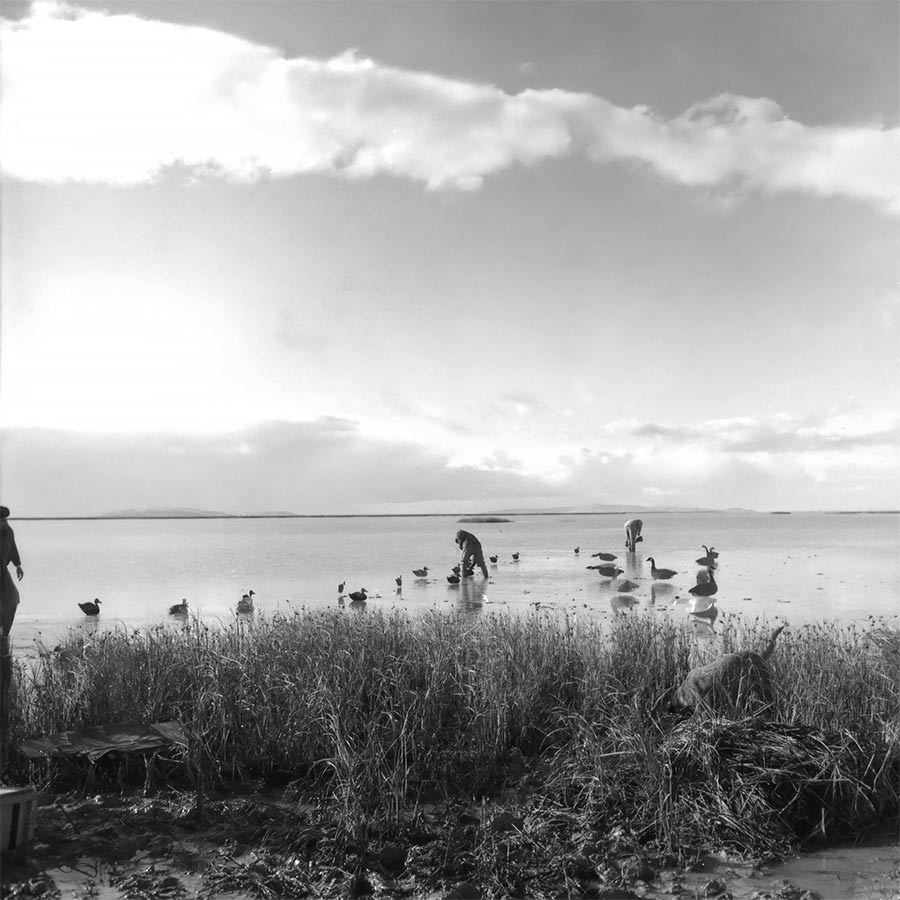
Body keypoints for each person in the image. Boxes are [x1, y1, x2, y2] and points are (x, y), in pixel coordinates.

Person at [1, 505, 24, 739]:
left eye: (5, 519)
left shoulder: (8, 531)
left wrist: (17, 564)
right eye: (0, 520)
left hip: (2, 573)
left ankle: (3, 633)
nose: (4, 523)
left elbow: (14, 549)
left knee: (13, 599)